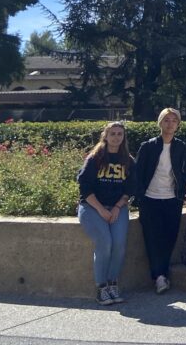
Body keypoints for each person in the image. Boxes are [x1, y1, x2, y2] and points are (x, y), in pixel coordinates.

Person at [78, 121, 137, 305]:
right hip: (92, 207)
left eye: (120, 134)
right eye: (113, 134)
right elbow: (85, 189)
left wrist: (118, 207)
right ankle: (101, 287)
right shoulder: (95, 158)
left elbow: (131, 188)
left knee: (118, 244)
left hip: (117, 207)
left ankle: (112, 283)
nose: (116, 137)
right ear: (105, 136)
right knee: (105, 243)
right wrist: (102, 210)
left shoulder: (128, 160)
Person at [134, 108, 186, 294]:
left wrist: (183, 193)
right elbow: (137, 174)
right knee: (152, 239)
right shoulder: (148, 146)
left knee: (169, 238)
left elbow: (183, 172)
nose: (170, 123)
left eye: (174, 120)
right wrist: (140, 197)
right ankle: (159, 276)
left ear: (178, 125)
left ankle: (162, 274)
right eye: (167, 120)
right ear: (160, 123)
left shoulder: (181, 146)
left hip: (172, 200)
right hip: (150, 199)